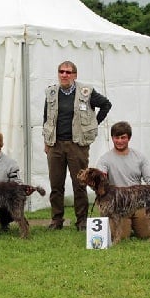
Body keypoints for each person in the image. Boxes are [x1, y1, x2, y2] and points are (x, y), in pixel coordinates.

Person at [43, 60, 112, 231]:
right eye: (61, 71)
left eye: (68, 72)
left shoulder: (86, 92)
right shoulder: (51, 92)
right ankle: (56, 220)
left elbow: (106, 104)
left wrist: (93, 124)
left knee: (79, 184)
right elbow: (46, 117)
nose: (64, 75)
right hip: (55, 144)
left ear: (75, 75)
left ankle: (81, 221)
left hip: (77, 145)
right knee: (56, 184)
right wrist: (46, 141)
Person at [97, 121, 150, 240]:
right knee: (121, 236)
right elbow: (100, 177)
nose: (119, 141)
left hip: (138, 203)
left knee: (146, 234)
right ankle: (127, 225)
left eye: (123, 137)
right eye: (116, 138)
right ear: (112, 138)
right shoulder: (105, 159)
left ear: (129, 138)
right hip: (118, 205)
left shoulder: (140, 157)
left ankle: (137, 224)